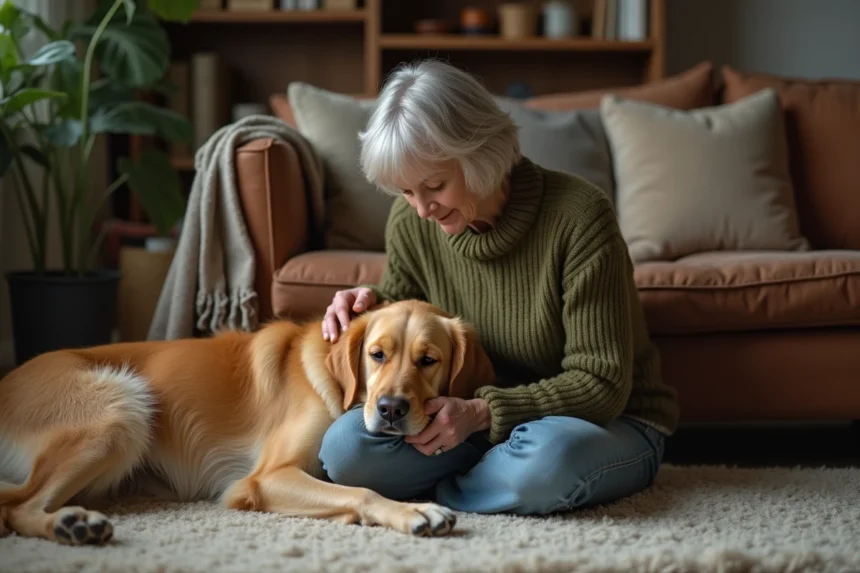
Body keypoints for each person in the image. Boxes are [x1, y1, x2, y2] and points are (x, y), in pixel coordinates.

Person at [317, 59, 679, 516]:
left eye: (434, 185)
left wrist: (482, 413)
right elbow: (407, 310)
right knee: (346, 448)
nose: (422, 209)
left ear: (481, 154)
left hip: (597, 422)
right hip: (467, 426)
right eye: (406, 191)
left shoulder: (580, 218)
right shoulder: (411, 221)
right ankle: (494, 483)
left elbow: (601, 384)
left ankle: (454, 485)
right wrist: (368, 301)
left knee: (548, 462)